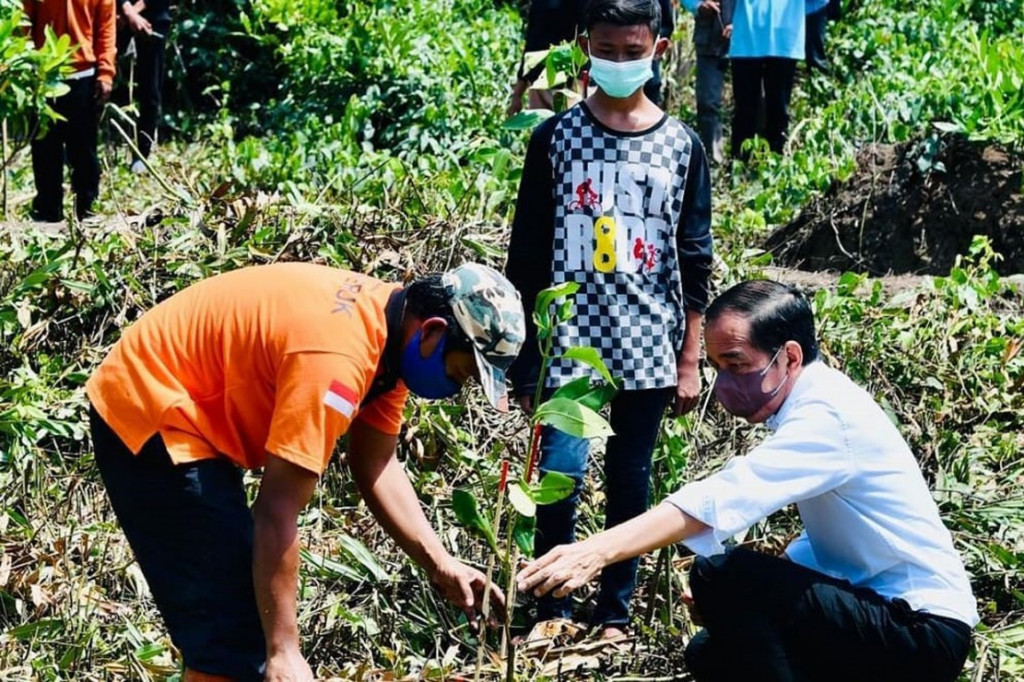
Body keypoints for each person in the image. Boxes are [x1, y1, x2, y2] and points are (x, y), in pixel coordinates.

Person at [517, 280, 979, 682]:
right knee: (712, 653)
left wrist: (595, 551)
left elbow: (724, 496)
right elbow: (833, 538)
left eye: (736, 364)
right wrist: (749, 599)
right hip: (889, 619)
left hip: (921, 629)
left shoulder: (828, 416)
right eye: (716, 366)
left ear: (789, 356)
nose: (724, 383)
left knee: (720, 572)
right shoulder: (817, 403)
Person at [87, 262, 526, 682]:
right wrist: (284, 650)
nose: (455, 389)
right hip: (152, 405)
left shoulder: (389, 340)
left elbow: (376, 463)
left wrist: (440, 563)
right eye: (460, 372)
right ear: (432, 331)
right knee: (233, 636)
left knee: (238, 619)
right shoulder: (336, 362)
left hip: (189, 411)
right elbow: (276, 511)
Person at [505, 0, 713, 639]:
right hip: (568, 342)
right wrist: (526, 359)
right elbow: (527, 252)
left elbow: (695, 256)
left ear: (659, 49)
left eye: (633, 52)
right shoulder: (555, 139)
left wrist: (689, 358)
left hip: (648, 343)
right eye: (606, 51)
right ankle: (553, 609)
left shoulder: (681, 146)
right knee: (559, 478)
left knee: (630, 481)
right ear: (585, 48)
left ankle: (615, 611)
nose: (619, 62)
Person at [23, 0, 116, 221]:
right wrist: (25, 66)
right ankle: (48, 209)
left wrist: (106, 72)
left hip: (83, 74)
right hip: (44, 74)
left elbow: (105, 28)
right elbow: (23, 23)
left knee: (84, 148)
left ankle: (87, 207)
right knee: (45, 147)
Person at [729, 0, 804, 158]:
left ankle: (771, 162)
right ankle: (742, 163)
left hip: (778, 41)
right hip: (755, 38)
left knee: (772, 112)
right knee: (750, 112)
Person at [117, 0, 170, 172]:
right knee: (95, 79)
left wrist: (133, 12)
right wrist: (126, 10)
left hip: (153, 15)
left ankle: (142, 154)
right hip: (114, 12)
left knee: (150, 90)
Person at [681, 0, 733, 164]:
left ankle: (747, 159)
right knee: (707, 102)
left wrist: (740, 23)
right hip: (709, 36)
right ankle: (712, 159)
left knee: (752, 102)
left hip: (748, 41)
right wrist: (697, 5)